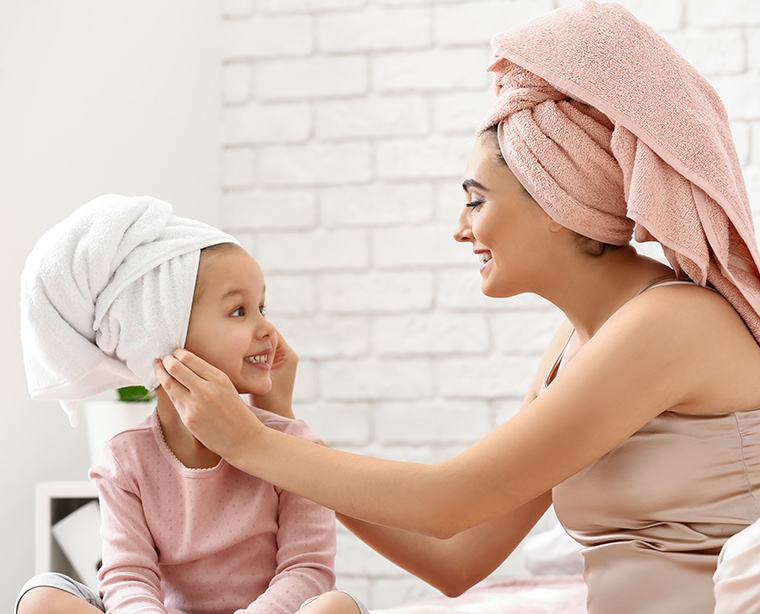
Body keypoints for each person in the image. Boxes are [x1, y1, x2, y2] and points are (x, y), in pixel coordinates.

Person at [152, 2, 760, 613]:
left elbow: (448, 502)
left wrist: (249, 442)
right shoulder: (578, 344)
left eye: (475, 200)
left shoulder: (673, 323)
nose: (460, 229)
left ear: (556, 203)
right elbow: (458, 557)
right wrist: (278, 423)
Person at [17, 195, 368, 614]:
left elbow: (306, 570)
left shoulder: (293, 447)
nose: (267, 328)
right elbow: (128, 577)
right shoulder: (126, 459)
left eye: (261, 307)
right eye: (239, 311)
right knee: (42, 595)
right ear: (164, 339)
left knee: (334, 607)